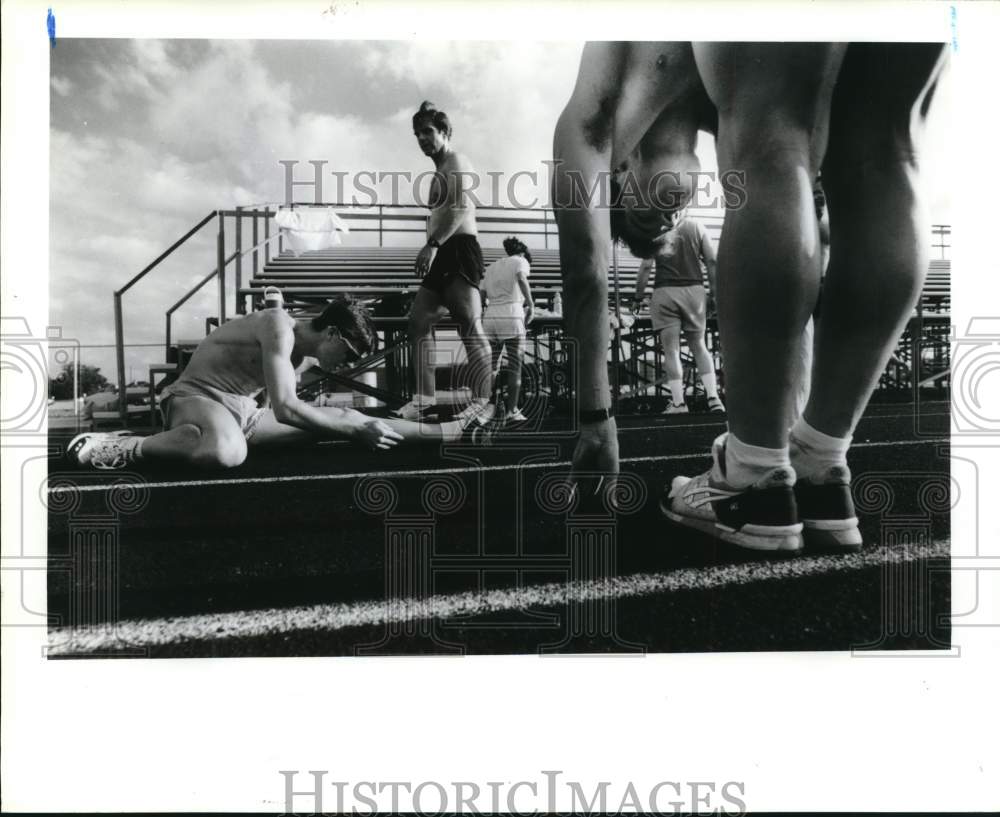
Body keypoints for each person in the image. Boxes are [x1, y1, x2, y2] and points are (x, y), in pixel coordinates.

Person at [554, 42, 946, 552]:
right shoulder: (712, 111)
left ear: (620, 176)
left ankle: (753, 477)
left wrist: (594, 422)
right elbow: (800, 254)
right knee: (885, 149)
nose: (671, 219)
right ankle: (823, 456)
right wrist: (798, 436)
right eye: (659, 225)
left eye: (648, 219)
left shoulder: (602, 97)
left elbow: (586, 259)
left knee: (776, 145)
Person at [68, 297, 469, 470]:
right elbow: (287, 408)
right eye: (348, 355)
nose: (347, 364)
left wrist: (354, 424)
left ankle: (447, 431)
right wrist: (353, 431)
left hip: (242, 411)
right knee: (227, 451)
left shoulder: (302, 352)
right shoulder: (280, 326)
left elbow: (288, 402)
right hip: (194, 396)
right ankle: (125, 446)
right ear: (332, 333)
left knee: (348, 414)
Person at [391, 101, 494, 427]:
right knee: (418, 321)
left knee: (469, 323)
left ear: (445, 132)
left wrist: (432, 245)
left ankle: (482, 401)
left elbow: (461, 207)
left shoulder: (457, 162)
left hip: (458, 248)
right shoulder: (438, 170)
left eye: (428, 131)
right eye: (417, 133)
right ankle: (424, 399)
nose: (422, 138)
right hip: (441, 251)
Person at [634, 206, 724, 414]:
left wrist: (638, 297)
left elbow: (646, 267)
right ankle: (713, 398)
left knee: (671, 350)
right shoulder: (697, 226)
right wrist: (715, 295)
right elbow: (711, 261)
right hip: (694, 291)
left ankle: (679, 403)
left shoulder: (655, 231)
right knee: (699, 346)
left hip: (665, 292)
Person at [480, 236, 535, 423]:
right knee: (515, 367)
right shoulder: (521, 261)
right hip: (511, 314)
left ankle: (485, 408)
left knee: (490, 366)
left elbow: (482, 294)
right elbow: (521, 278)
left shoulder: (492, 266)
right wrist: (531, 305)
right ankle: (512, 410)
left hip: (491, 316)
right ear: (522, 254)